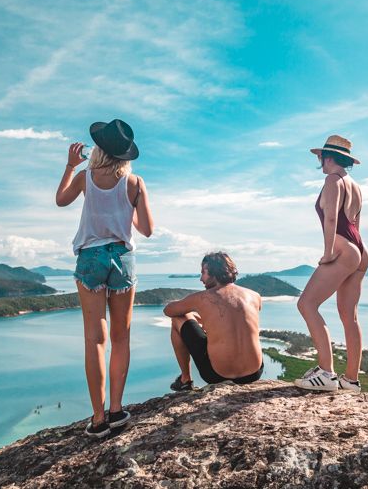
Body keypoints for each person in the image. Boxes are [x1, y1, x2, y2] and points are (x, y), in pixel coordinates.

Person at [55, 118, 154, 438]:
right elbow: (147, 230)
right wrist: (127, 211)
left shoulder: (86, 177)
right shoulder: (135, 183)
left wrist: (70, 166)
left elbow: (61, 201)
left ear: (98, 150)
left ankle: (97, 419)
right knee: (120, 338)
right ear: (124, 155)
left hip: (90, 259)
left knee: (94, 340)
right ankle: (116, 410)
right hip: (123, 260)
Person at [294, 135, 368, 392]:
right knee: (350, 316)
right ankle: (351, 380)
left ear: (327, 157)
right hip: (359, 249)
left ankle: (326, 372)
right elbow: (355, 227)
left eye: (320, 157)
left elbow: (330, 220)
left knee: (306, 304)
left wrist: (328, 253)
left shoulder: (332, 181)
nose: (320, 162)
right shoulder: (355, 186)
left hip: (341, 249)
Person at [163, 252, 264, 389]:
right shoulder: (254, 296)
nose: (201, 279)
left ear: (214, 273)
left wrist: (191, 312)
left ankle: (185, 379)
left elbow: (168, 311)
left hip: (217, 375)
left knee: (179, 318)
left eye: (203, 273)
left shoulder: (203, 297)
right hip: (254, 373)